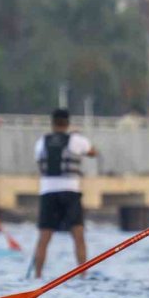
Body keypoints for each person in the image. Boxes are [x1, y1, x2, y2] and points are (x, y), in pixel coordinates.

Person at [32, 108, 97, 278]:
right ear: (68, 123)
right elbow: (93, 152)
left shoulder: (41, 142)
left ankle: (38, 275)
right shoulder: (76, 140)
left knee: (44, 237)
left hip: (48, 192)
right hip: (70, 191)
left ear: (52, 123)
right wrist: (77, 136)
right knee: (78, 235)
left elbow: (40, 162)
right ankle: (83, 274)